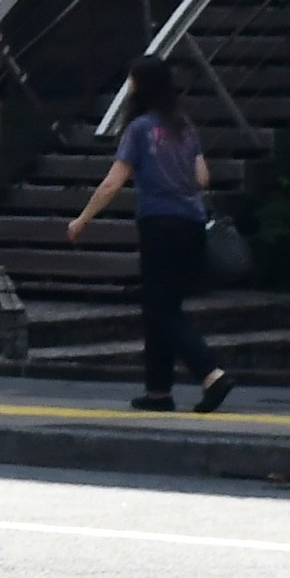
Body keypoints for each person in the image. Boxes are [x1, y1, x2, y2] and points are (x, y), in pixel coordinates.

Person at [69, 56, 234, 413]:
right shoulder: (185, 126)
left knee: (160, 311)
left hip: (159, 225)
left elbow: (114, 182)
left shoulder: (141, 129)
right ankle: (158, 392)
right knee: (163, 307)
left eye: (131, 78)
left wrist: (82, 220)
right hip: (191, 224)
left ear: (140, 85)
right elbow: (202, 178)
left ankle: (211, 372)